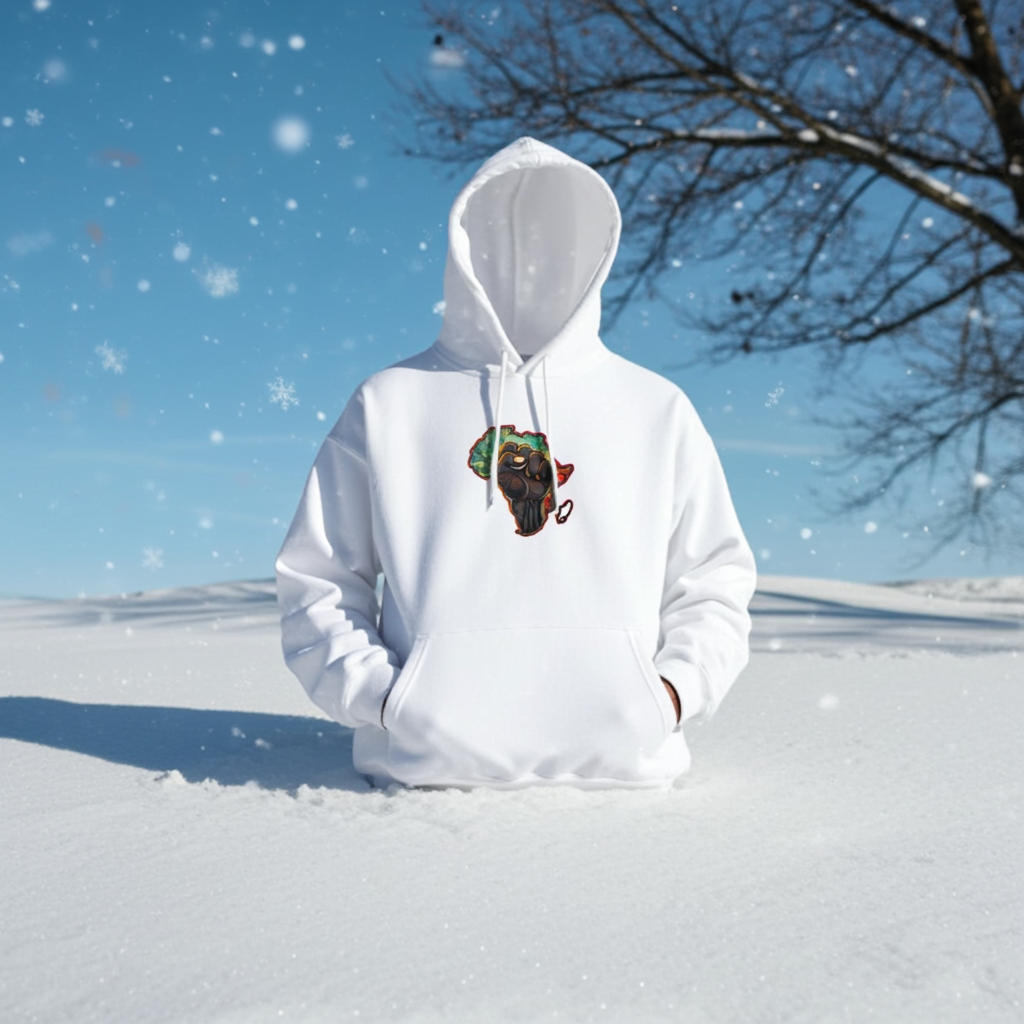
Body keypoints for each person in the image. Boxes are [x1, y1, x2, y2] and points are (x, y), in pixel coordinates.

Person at [275, 137, 756, 789]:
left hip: (629, 785)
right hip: (421, 780)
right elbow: (320, 577)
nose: (534, 265)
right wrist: (390, 701)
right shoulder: (392, 401)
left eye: (556, 244)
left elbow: (713, 578)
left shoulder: (654, 408)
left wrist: (668, 693)